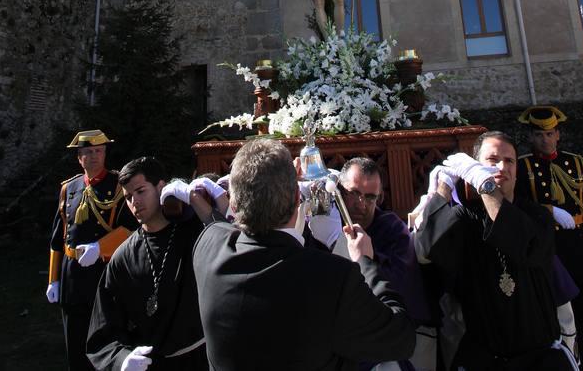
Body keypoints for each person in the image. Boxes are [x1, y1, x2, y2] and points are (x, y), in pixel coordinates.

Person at [193, 138, 416, 371]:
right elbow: (401, 339)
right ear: (299, 198)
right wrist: (365, 262)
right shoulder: (333, 277)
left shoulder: (208, 246)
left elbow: (224, 225)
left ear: (235, 205)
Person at [414, 131, 577, 370]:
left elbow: (527, 246)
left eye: (509, 160)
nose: (502, 167)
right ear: (474, 167)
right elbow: (425, 250)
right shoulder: (464, 217)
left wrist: (486, 185)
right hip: (486, 358)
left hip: (540, 357)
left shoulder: (536, 215)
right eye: (492, 160)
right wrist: (442, 189)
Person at [87, 156, 229, 370]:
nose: (134, 202)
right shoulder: (123, 258)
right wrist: (121, 359)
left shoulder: (193, 231)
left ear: (161, 187)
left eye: (140, 191)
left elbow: (228, 243)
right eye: (128, 197)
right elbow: (103, 328)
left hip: (204, 359)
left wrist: (194, 199)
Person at [516, 105, 583, 370]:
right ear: (530, 137)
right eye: (539, 135)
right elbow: (520, 203)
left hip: (580, 244)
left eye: (550, 134)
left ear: (558, 135)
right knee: (558, 308)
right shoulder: (523, 165)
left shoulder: (576, 162)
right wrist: (548, 210)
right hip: (550, 246)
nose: (545, 139)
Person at [331, 158, 433, 371]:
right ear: (339, 191)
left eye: (370, 197)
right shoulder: (327, 224)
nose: (361, 204)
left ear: (380, 197)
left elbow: (400, 286)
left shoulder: (392, 230)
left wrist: (368, 259)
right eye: (354, 193)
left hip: (377, 342)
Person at [47, 130, 136, 371]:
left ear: (105, 154)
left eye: (99, 151)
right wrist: (53, 280)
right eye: (88, 152)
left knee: (105, 333)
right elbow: (58, 237)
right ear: (79, 158)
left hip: (104, 271)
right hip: (72, 275)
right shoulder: (69, 188)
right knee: (74, 339)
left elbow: (131, 228)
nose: (94, 156)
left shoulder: (119, 186)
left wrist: (100, 248)